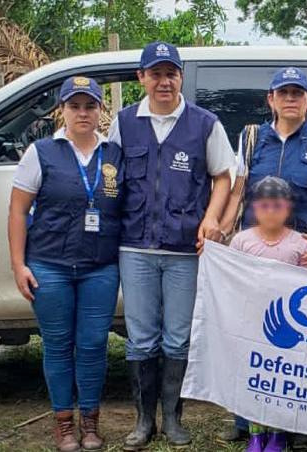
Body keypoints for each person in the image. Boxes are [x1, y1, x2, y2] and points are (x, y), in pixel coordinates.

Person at [107, 41, 234, 450]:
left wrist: (212, 218)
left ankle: (174, 419)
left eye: (171, 73)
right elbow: (108, 175)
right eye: (155, 73)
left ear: (181, 76)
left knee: (177, 337)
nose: (164, 81)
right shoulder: (123, 123)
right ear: (141, 78)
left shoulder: (205, 123)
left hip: (184, 250)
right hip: (135, 247)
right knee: (141, 337)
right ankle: (144, 421)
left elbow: (223, 177)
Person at [8, 76, 121, 452]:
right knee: (57, 346)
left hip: (99, 267)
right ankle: (63, 424)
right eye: (75, 106)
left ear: (101, 110)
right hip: (49, 265)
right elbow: (18, 210)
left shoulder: (114, 153)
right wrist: (19, 264)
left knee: (92, 344)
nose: (83, 113)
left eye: (90, 106)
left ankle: (89, 422)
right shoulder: (41, 152)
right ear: (63, 110)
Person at [220, 66, 307, 275]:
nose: (290, 98)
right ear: (271, 100)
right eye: (283, 92)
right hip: (256, 251)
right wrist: (221, 234)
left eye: (297, 93)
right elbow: (238, 194)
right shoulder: (251, 137)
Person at [229, 176, 307, 452]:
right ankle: (255, 433)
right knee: (254, 378)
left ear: (289, 208)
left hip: (286, 328)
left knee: (280, 380)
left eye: (278, 205)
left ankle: (277, 434)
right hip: (251, 324)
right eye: (264, 205)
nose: (271, 211)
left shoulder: (300, 244)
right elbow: (231, 278)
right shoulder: (241, 241)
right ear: (254, 208)